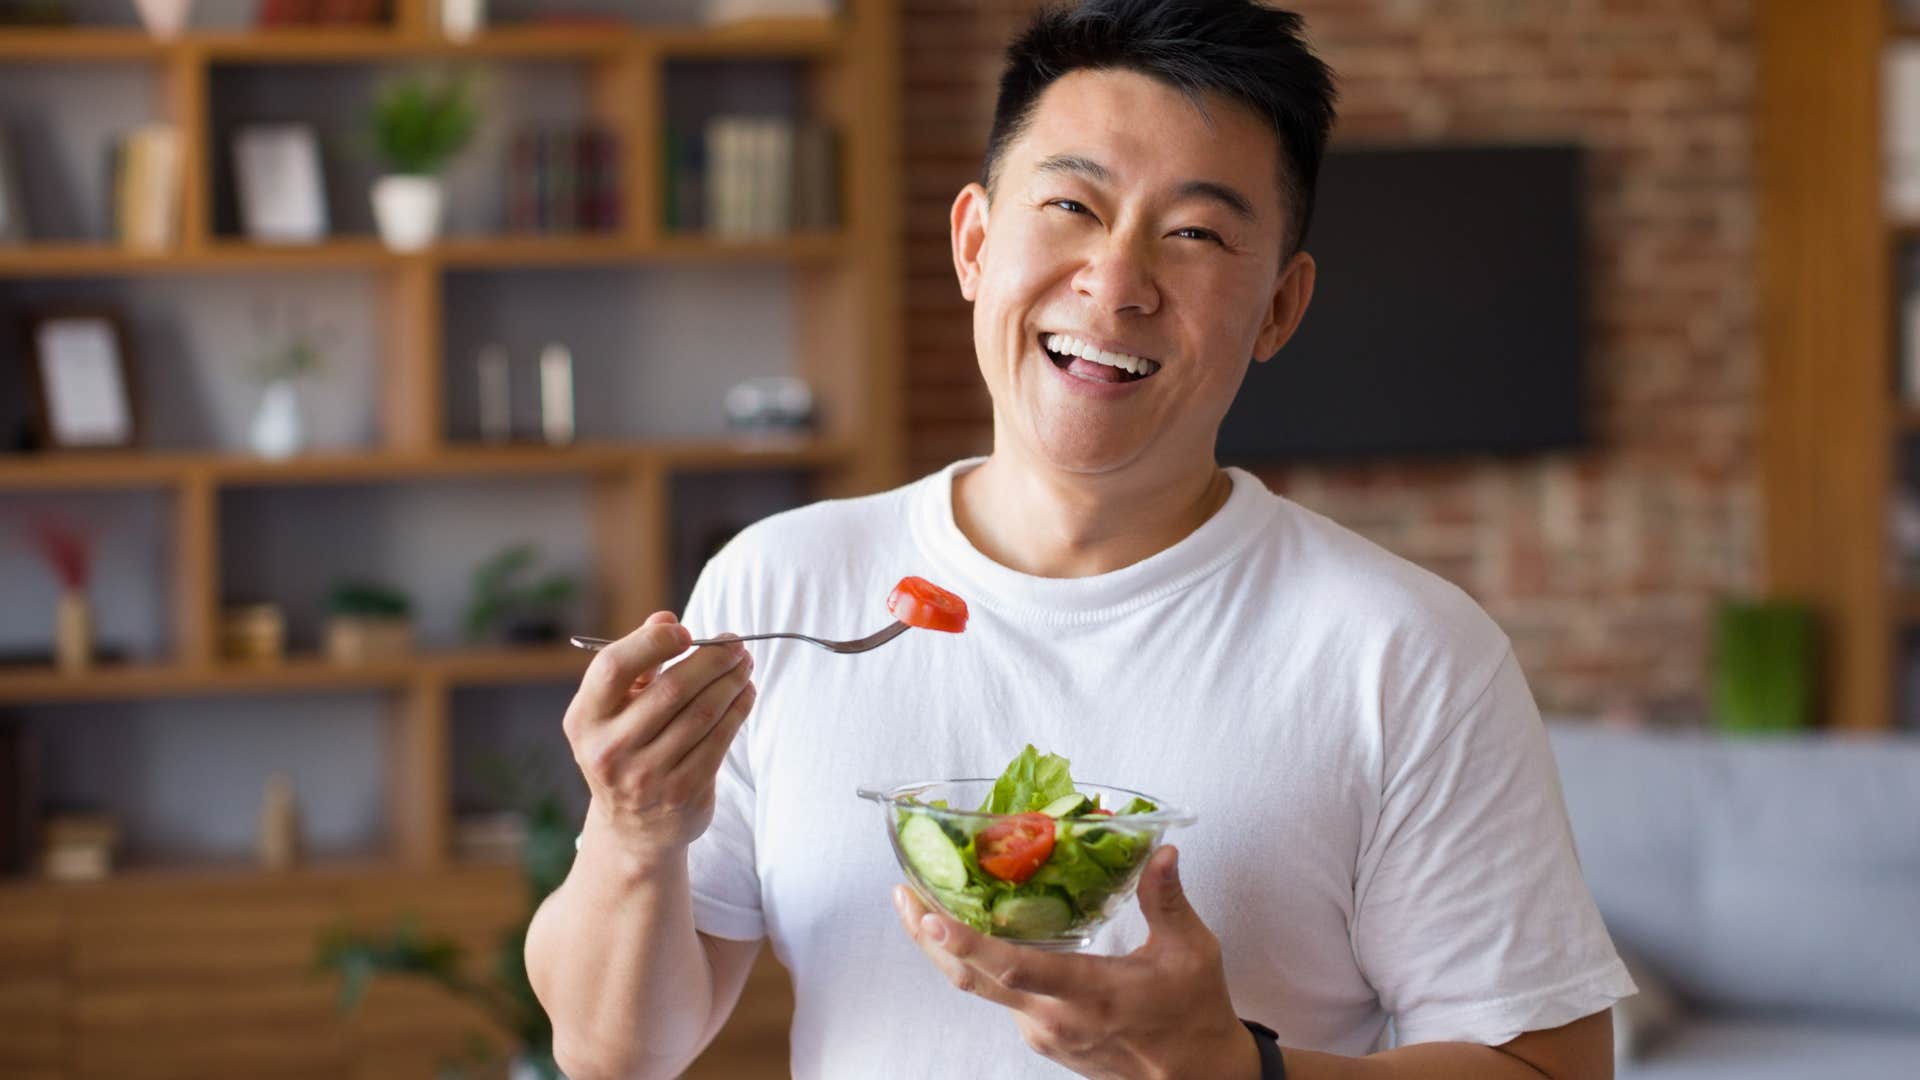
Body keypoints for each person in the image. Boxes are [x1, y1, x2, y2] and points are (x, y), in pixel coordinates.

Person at [525, 1, 1635, 1077]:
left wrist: (1237, 1075)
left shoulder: (1403, 650)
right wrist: (632, 834)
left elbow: (1550, 1068)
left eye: (1196, 232)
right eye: (1070, 206)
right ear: (972, 243)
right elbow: (613, 1053)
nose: (1115, 282)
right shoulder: (785, 586)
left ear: (1281, 311)